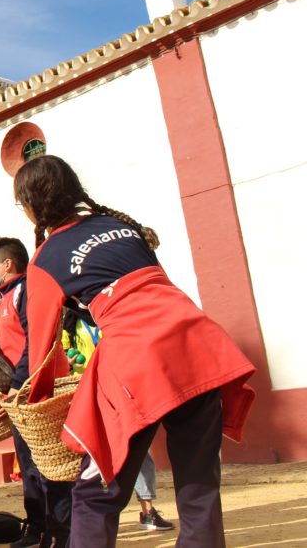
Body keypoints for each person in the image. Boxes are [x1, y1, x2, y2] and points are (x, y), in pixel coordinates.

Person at [14, 155, 255, 547]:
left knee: (95, 494)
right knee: (198, 485)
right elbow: (148, 288)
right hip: (197, 342)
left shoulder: (46, 257)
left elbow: (41, 350)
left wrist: (34, 400)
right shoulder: (121, 227)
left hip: (137, 362)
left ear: (31, 205)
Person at [0, 238, 71, 548]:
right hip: (18, 397)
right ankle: (37, 528)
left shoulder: (27, 292)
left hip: (42, 391)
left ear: (8, 264)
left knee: (51, 466)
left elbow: (35, 341)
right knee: (28, 466)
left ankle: (60, 533)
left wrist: (17, 383)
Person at [61, 311, 174, 534]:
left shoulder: (111, 317)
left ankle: (147, 510)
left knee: (139, 451)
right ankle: (88, 516)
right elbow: (63, 356)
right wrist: (68, 361)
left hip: (118, 390)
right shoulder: (69, 327)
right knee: (87, 459)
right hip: (84, 394)